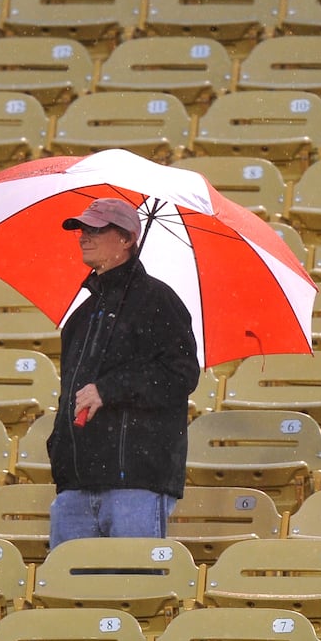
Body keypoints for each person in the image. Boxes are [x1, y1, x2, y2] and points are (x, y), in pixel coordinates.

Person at [46, 196, 200, 549]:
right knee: (68, 598)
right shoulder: (81, 316)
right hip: (77, 483)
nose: (84, 236)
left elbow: (182, 375)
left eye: (97, 229)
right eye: (82, 228)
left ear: (128, 238)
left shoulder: (159, 300)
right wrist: (61, 454)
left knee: (135, 594)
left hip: (137, 482)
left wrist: (110, 389)